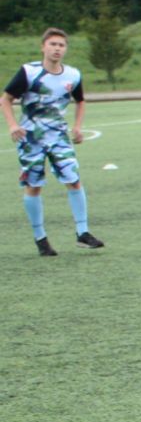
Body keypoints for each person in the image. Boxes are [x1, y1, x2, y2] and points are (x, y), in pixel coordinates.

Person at [5, 28, 103, 257]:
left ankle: (83, 233)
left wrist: (77, 126)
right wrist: (12, 125)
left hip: (58, 136)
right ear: (43, 47)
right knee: (34, 185)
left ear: (65, 49)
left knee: (74, 179)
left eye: (61, 45)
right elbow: (6, 99)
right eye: (53, 44)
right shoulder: (28, 72)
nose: (57, 48)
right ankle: (41, 239)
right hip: (31, 137)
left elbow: (81, 101)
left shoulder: (73, 75)